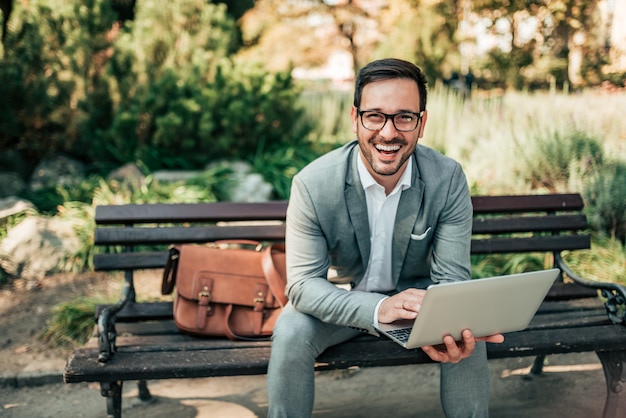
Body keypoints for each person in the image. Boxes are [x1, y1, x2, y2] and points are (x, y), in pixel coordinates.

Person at [267, 58, 504, 418]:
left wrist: (443, 318)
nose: (389, 133)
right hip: (342, 304)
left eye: (404, 117)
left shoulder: (448, 178)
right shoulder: (313, 184)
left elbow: (452, 280)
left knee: (465, 327)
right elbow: (301, 287)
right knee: (290, 331)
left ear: (421, 123)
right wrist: (378, 309)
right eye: (375, 116)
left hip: (416, 305)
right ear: (355, 118)